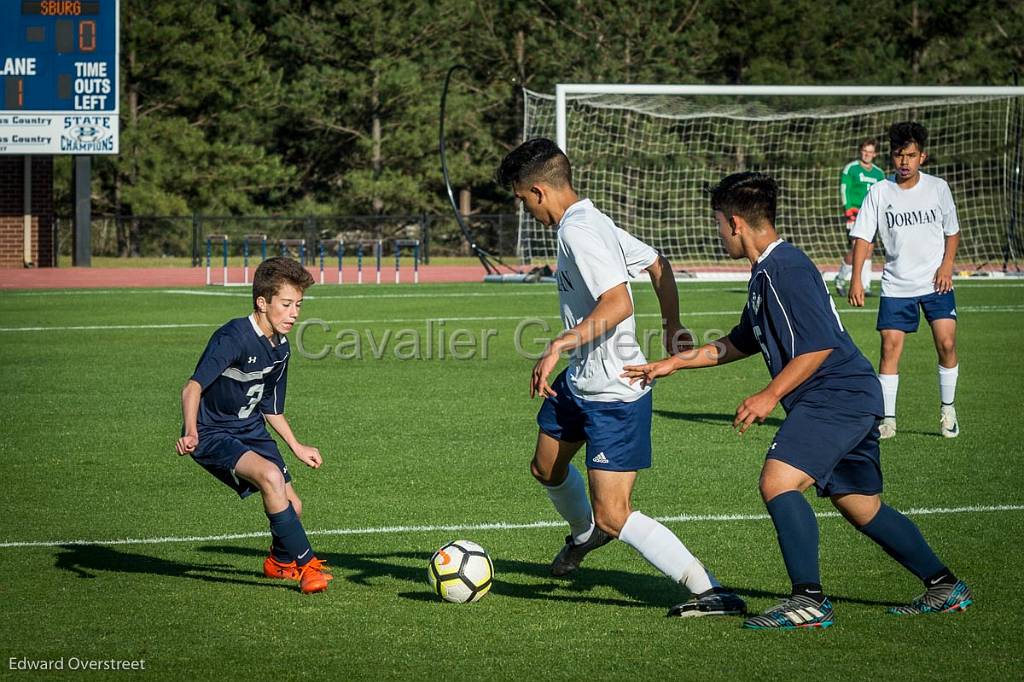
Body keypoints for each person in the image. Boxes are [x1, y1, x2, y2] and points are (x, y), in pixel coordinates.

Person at [623, 172, 972, 629]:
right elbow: (744, 340)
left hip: (836, 396)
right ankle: (944, 585)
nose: (717, 233)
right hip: (845, 396)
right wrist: (675, 363)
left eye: (716, 224)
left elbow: (819, 344)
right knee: (860, 505)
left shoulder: (785, 269)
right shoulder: (767, 270)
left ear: (734, 223)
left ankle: (808, 601)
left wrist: (769, 394)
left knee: (778, 482)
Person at [496, 138, 745, 618]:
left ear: (538, 192)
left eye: (521, 199)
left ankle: (709, 589)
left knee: (614, 514)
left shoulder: (579, 232)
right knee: (545, 467)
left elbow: (619, 303)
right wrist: (673, 325)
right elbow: (657, 264)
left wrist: (558, 344)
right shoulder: (592, 221)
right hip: (581, 380)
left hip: (615, 390)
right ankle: (583, 533)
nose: (524, 209)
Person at [175, 257, 332, 594]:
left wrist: (297, 446)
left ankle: (278, 562)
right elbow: (192, 388)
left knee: (295, 506)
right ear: (263, 303)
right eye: (287, 304)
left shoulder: (281, 348)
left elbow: (271, 408)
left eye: (299, 305)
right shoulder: (233, 337)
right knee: (271, 478)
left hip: (251, 430)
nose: (294, 313)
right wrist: (190, 431)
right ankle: (308, 567)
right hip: (214, 432)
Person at [848, 122, 961, 439]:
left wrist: (947, 266)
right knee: (889, 349)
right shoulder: (880, 191)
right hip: (896, 286)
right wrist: (857, 279)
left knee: (947, 343)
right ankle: (888, 421)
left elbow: (952, 232)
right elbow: (862, 238)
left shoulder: (938, 188)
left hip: (936, 283)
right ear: (892, 157)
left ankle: (948, 411)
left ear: (922, 156)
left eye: (911, 155)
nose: (904, 162)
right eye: (899, 155)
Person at [835, 138, 886, 297]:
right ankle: (840, 279)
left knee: (869, 250)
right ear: (861, 151)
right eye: (865, 151)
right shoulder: (851, 168)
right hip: (855, 214)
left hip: (871, 216)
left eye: (870, 152)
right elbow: (844, 188)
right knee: (857, 248)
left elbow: (882, 195)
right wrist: (847, 208)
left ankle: (866, 285)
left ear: (875, 154)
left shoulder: (879, 173)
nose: (867, 154)